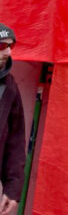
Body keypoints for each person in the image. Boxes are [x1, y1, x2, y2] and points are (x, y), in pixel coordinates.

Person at [0, 23, 25, 215]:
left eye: (11, 46)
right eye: (2, 46)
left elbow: (15, 142)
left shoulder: (9, 88)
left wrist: (12, 190)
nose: (8, 52)